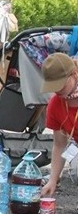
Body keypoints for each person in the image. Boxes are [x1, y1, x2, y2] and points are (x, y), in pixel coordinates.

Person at [39, 53, 78, 197]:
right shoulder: (55, 104)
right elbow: (60, 145)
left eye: (60, 84)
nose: (57, 90)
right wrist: (53, 180)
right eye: (52, 86)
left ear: (74, 75)